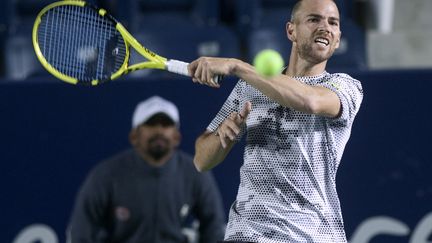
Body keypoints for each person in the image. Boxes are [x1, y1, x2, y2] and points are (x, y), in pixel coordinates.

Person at [188, 0, 363, 242]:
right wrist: (221, 138)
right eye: (314, 19)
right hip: (247, 233)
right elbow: (200, 160)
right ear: (291, 30)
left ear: (338, 37)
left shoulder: (345, 86)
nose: (325, 27)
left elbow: (310, 101)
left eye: (333, 22)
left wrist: (237, 65)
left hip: (311, 234)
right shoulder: (250, 87)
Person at [67, 96, 226, 243]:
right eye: (150, 124)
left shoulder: (195, 172)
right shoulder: (106, 175)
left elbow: (214, 228)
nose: (159, 131)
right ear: (134, 136)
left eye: (166, 124)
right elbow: (81, 231)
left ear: (177, 137)